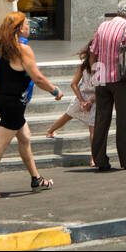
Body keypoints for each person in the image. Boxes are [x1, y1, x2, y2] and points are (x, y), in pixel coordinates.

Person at [0, 11, 62, 192]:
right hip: (13, 104)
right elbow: (38, 78)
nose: (29, 26)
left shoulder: (1, 47)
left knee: (25, 137)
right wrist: (55, 90)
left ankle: (35, 178)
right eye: (25, 24)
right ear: (18, 28)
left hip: (3, 100)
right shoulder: (22, 49)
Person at [89, 0, 126, 171]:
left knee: (101, 120)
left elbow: (93, 51)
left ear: (119, 11)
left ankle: (100, 160)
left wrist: (94, 71)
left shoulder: (103, 26)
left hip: (102, 79)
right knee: (124, 121)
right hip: (121, 79)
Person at [45, 39, 98, 167]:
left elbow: (102, 88)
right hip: (83, 96)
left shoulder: (101, 66)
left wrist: (89, 101)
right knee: (68, 115)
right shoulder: (84, 66)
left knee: (93, 128)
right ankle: (50, 130)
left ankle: (94, 157)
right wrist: (82, 100)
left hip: (95, 99)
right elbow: (73, 84)